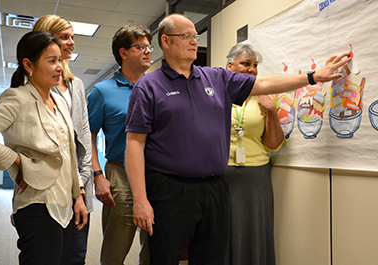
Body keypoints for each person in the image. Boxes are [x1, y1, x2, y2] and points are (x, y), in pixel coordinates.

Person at [125, 13, 351, 265]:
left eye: (195, 36)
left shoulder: (217, 78)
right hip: (170, 190)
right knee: (165, 257)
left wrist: (312, 77)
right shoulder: (148, 86)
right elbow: (135, 143)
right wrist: (140, 200)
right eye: (186, 36)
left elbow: (264, 82)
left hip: (215, 188)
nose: (193, 41)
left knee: (213, 258)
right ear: (166, 41)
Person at [0, 31, 88, 265]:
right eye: (51, 61)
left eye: (60, 60)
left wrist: (78, 196)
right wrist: (16, 160)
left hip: (65, 205)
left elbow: (68, 154)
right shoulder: (17, 98)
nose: (59, 67)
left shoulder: (57, 100)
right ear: (28, 64)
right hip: (37, 203)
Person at [87, 25, 152, 265]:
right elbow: (89, 137)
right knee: (116, 250)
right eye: (141, 47)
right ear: (123, 53)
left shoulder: (156, 86)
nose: (148, 52)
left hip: (156, 176)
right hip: (121, 175)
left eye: (149, 47)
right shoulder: (102, 92)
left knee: (155, 249)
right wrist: (97, 175)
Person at [32, 15, 93, 265]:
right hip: (50, 185)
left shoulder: (76, 84)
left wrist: (83, 178)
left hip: (80, 186)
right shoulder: (34, 84)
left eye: (72, 38)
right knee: (48, 255)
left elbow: (84, 134)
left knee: (77, 254)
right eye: (64, 37)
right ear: (47, 39)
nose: (71, 43)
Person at [224, 42, 284, 265]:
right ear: (230, 66)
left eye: (255, 65)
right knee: (224, 231)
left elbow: (274, 144)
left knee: (256, 230)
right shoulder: (217, 95)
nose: (251, 69)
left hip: (256, 176)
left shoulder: (264, 96)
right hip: (222, 175)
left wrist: (272, 111)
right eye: (245, 64)